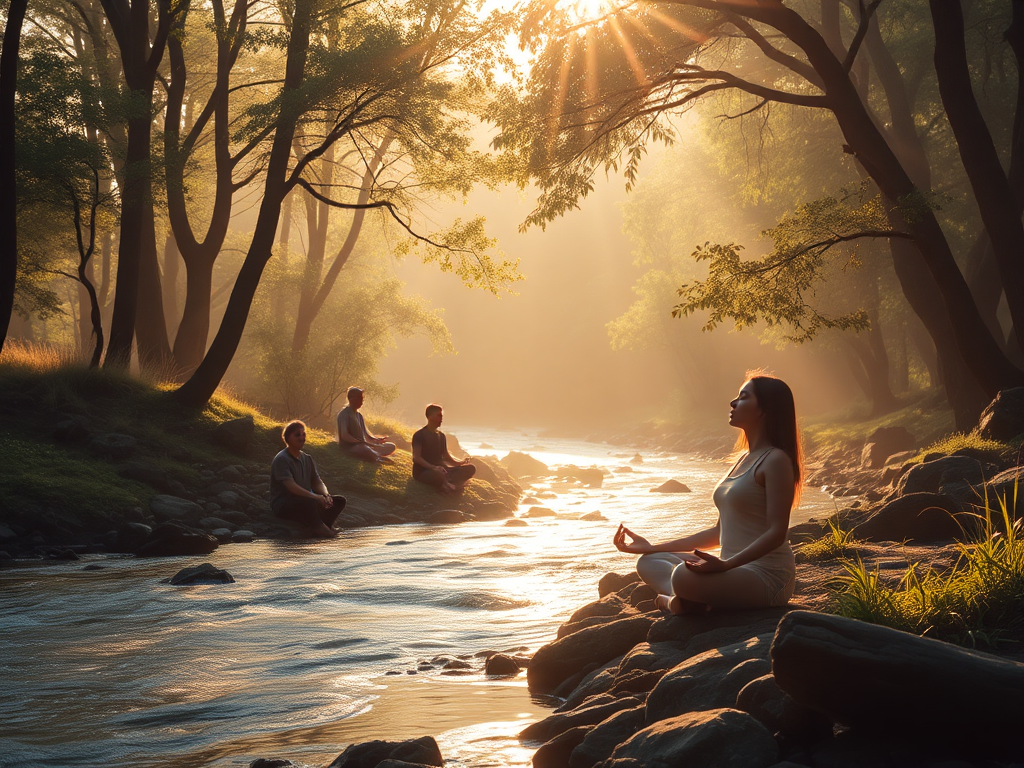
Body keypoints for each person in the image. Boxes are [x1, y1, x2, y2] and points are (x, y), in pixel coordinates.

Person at [613, 373, 801, 613]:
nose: (733, 403)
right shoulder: (743, 459)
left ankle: (676, 602)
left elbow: (777, 532)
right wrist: (650, 547)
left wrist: (725, 565)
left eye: (743, 397)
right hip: (729, 569)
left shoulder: (776, 460)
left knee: (682, 575)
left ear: (764, 409)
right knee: (649, 562)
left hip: (764, 575)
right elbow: (719, 532)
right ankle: (692, 600)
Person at [270, 420, 346, 538]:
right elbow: (291, 486)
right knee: (309, 502)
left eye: (303, 434)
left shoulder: (307, 458)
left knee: (340, 501)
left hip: (306, 500)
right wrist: (315, 497)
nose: (302, 438)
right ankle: (319, 528)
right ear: (288, 438)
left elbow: (317, 481)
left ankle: (326, 525)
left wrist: (326, 495)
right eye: (297, 435)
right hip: (284, 503)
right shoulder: (282, 459)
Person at [411, 404, 476, 493]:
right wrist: (433, 467)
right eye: (439, 416)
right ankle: (447, 485)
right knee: (438, 474)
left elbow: (445, 455)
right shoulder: (419, 435)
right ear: (430, 417)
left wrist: (459, 463)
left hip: (443, 470)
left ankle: (448, 482)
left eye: (442, 416)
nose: (441, 419)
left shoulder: (441, 436)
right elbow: (416, 458)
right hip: (425, 472)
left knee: (471, 468)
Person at [337, 386, 396, 464]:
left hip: (364, 445)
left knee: (391, 446)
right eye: (359, 399)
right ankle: (375, 456)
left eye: (362, 399)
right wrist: (361, 442)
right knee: (363, 448)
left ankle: (374, 455)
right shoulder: (344, 414)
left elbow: (366, 435)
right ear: (351, 399)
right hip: (351, 447)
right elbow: (345, 436)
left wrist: (376, 440)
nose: (361, 402)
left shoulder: (359, 416)